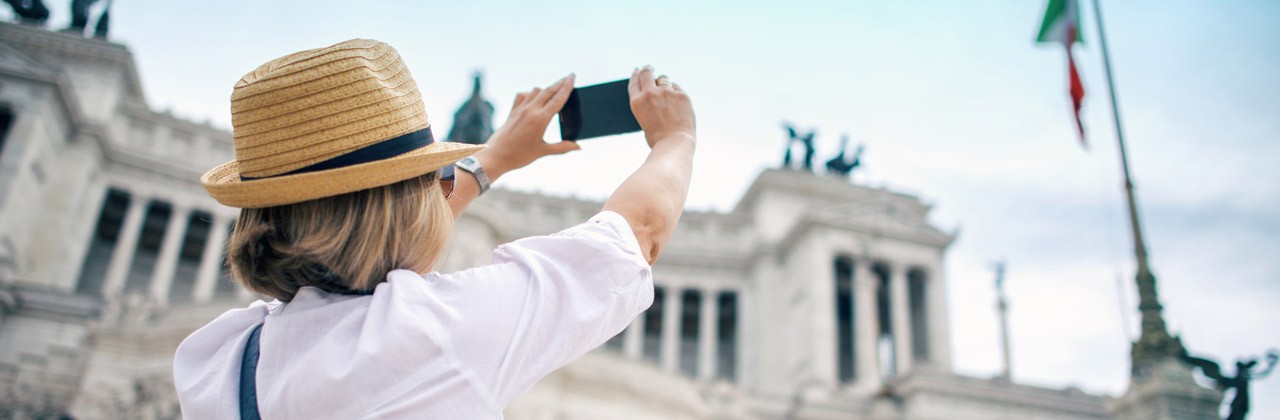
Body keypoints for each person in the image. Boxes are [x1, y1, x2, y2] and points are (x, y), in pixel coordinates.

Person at [173, 39, 695, 419]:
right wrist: (677, 138)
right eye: (433, 181)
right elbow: (635, 235)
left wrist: (492, 160)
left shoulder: (219, 357)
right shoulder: (439, 335)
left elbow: (368, 244)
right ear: (404, 209)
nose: (443, 189)